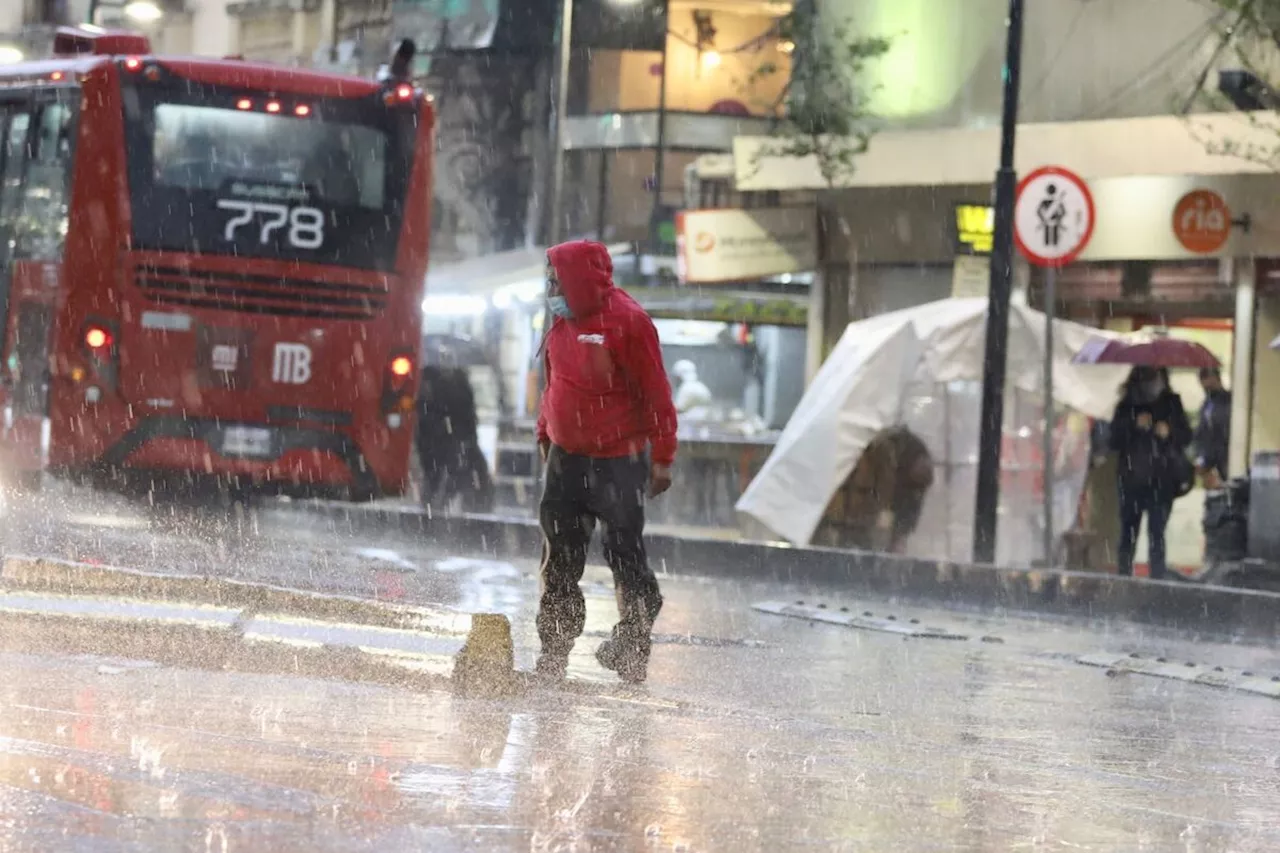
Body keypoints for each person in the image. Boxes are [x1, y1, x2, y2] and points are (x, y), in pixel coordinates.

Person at [534, 240, 678, 684]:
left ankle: (633, 643)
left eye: (557, 279)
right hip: (566, 460)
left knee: (624, 556)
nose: (551, 287)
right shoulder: (560, 320)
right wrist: (545, 432)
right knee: (559, 560)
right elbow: (555, 382)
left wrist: (663, 457)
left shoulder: (630, 322)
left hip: (619, 462)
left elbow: (656, 394)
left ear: (577, 279)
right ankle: (553, 655)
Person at [1108, 366, 1193, 580]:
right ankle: (1124, 577)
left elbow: (1186, 436)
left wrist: (1169, 431)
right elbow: (1114, 440)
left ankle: (1157, 581)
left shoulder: (1171, 404)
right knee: (1128, 534)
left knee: (1157, 535)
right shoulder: (1127, 406)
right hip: (1132, 479)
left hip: (1161, 479)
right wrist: (1134, 425)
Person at [814, 425, 935, 555]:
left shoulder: (907, 454)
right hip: (834, 519)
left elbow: (910, 503)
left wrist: (899, 537)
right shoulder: (841, 439)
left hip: (861, 525)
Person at [415, 366, 494, 513]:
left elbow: (425, 444)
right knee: (469, 492)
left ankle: (431, 518)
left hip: (450, 455)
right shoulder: (451, 402)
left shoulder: (434, 406)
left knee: (438, 492)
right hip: (456, 454)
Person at [1194, 366, 1232, 488]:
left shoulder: (1228, 401)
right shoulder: (1207, 404)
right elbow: (1202, 433)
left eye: (1206, 377)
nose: (1203, 383)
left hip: (1224, 458)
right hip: (1210, 459)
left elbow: (1222, 432)